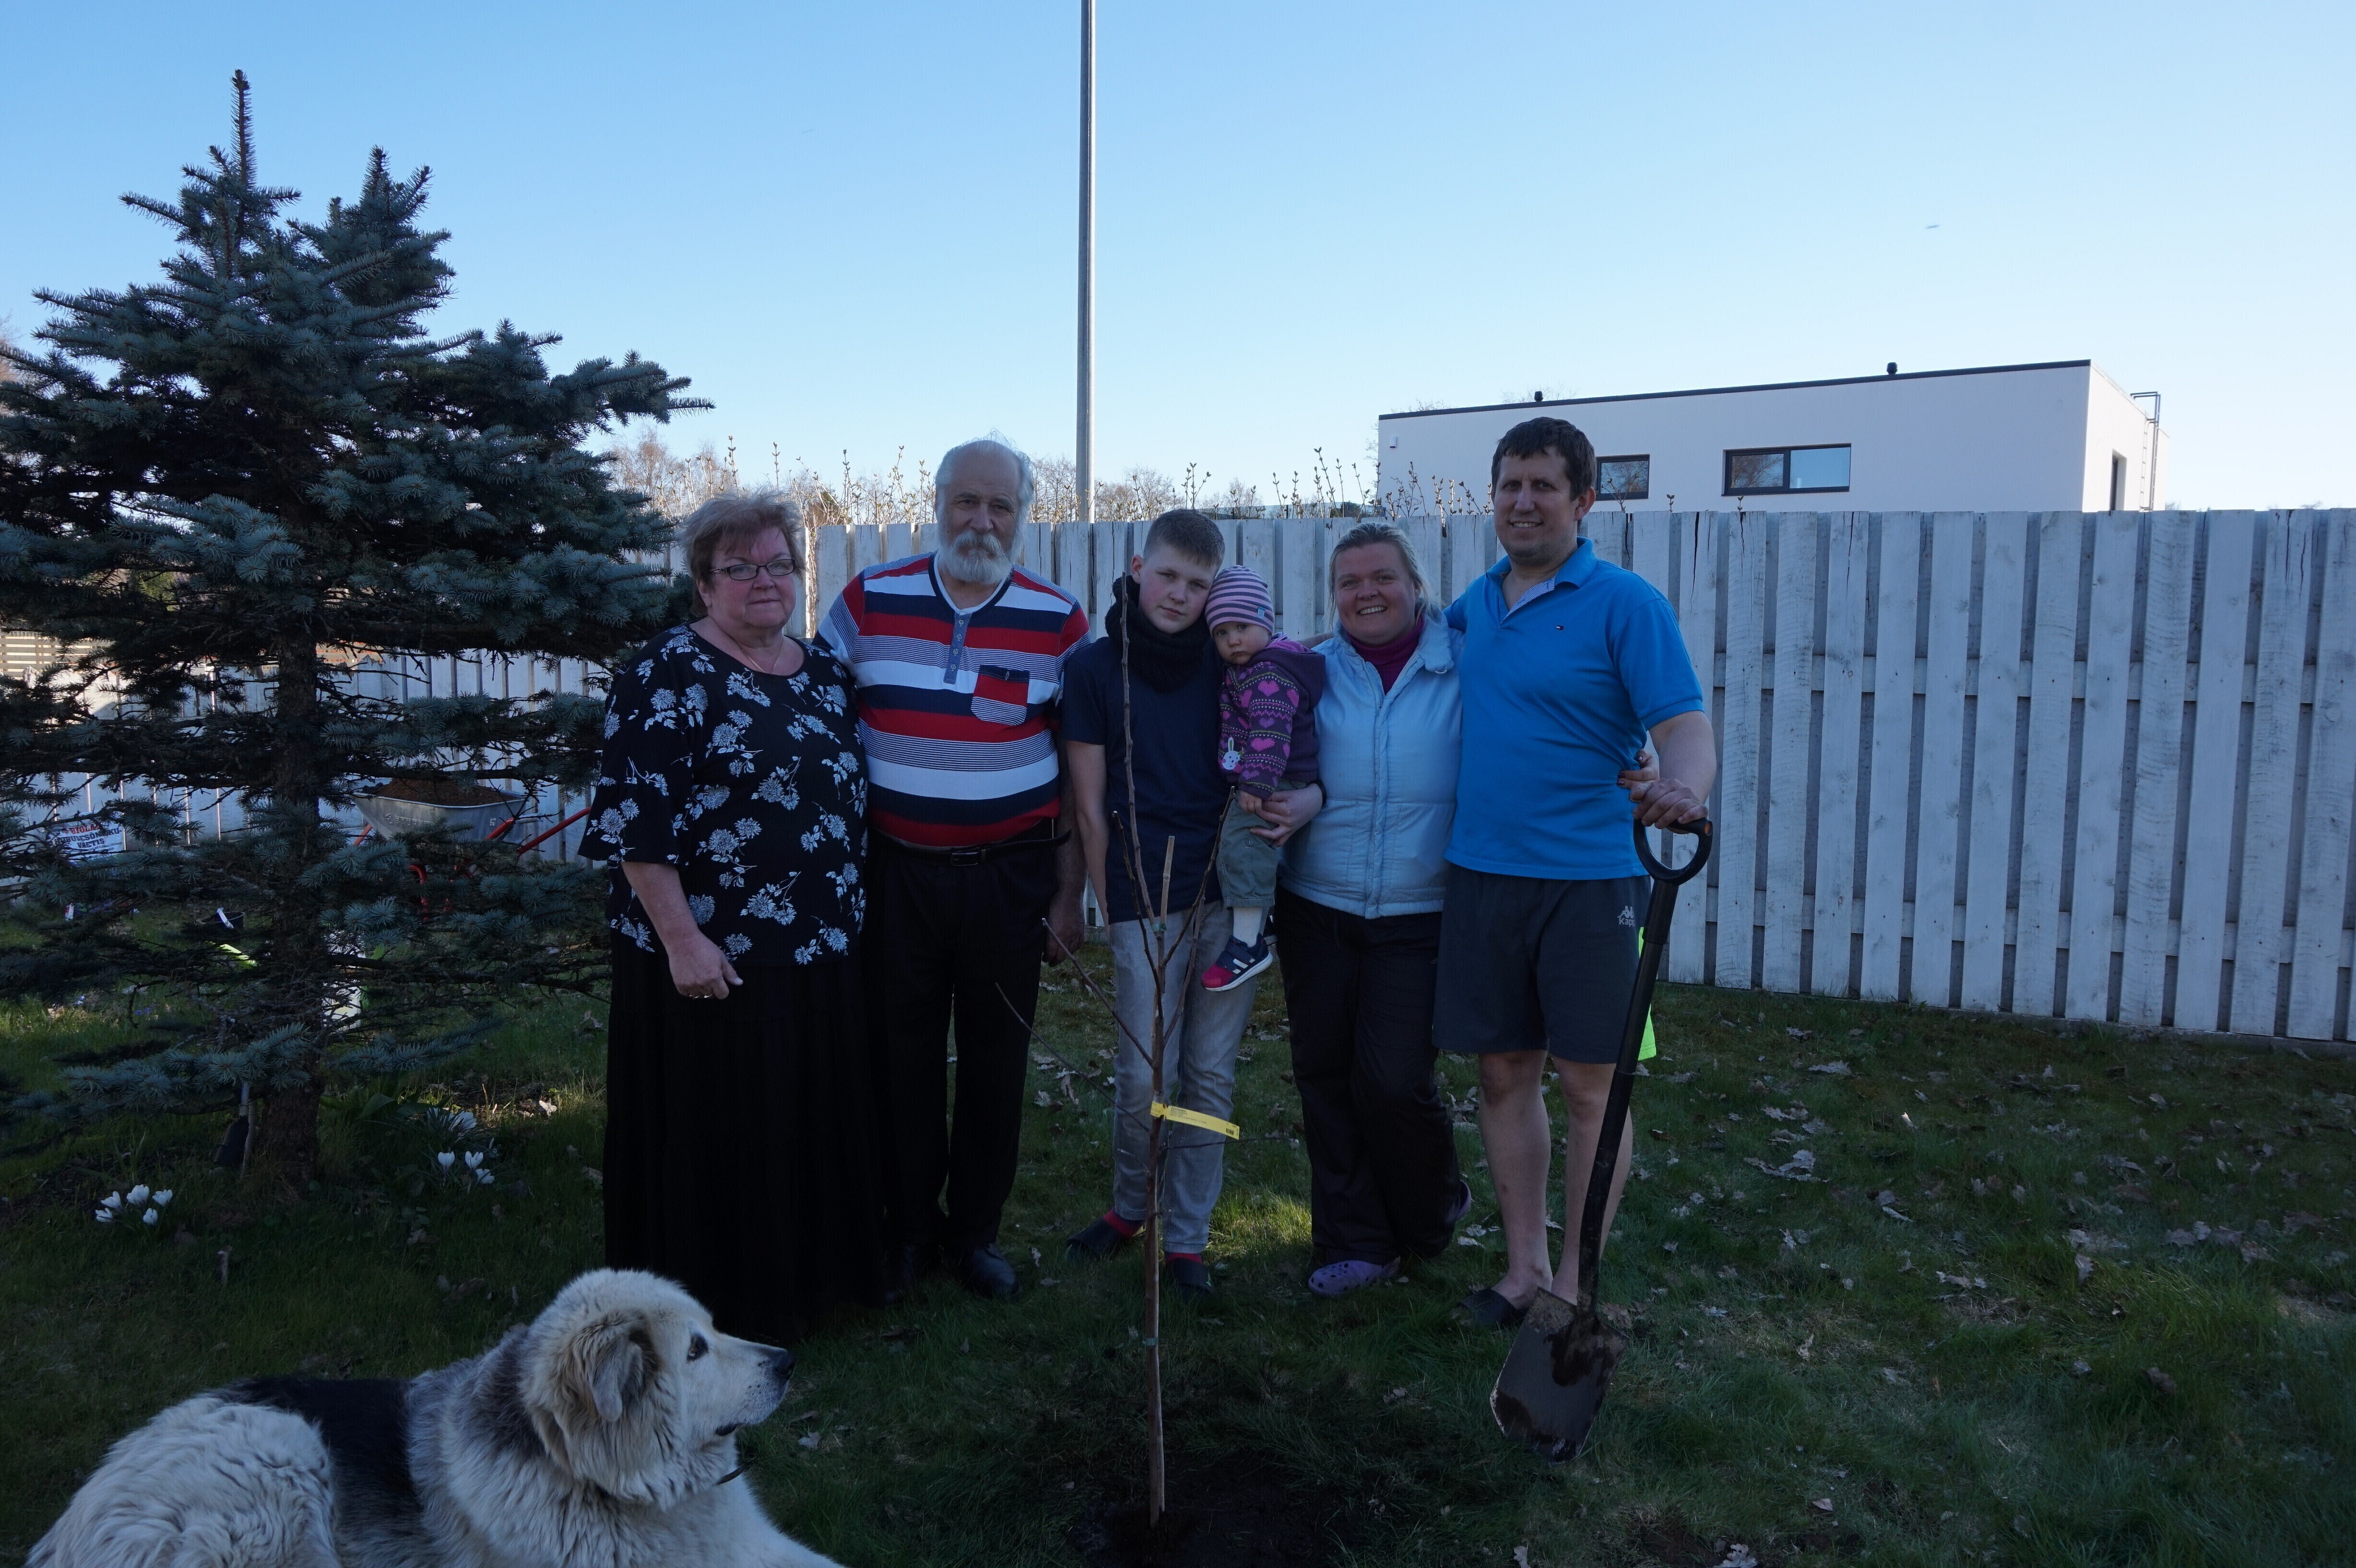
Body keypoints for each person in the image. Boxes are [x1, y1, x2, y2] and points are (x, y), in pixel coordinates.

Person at [582, 491, 882, 1343]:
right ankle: (711, 1304)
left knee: (799, 1124)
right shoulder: (665, 672)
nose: (764, 580)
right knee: (720, 1131)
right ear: (704, 583)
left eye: (779, 564)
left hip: (818, 948)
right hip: (712, 958)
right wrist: (682, 940)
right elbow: (635, 822)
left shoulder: (824, 673)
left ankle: (804, 1285)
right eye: (740, 566)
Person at [1439, 417, 1717, 1329]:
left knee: (1592, 1084)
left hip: (1593, 883)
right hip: (1482, 873)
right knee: (1501, 1074)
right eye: (1509, 485)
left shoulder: (1625, 604)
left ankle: (1573, 1278)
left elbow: (1683, 724)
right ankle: (1522, 1268)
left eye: (1543, 486)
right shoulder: (1473, 606)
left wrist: (1682, 787)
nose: (1522, 502)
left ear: (1584, 500)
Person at [818, 436, 1089, 1303]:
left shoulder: (1059, 619)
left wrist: (1069, 893)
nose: (980, 520)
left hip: (1007, 879)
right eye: (965, 501)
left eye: (999, 505)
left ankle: (975, 1233)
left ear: (1023, 515)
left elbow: (1079, 768)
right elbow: (813, 720)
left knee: (995, 1059)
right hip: (893, 876)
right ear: (936, 504)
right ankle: (905, 1229)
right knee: (896, 1057)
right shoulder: (867, 601)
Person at [1058, 510, 1318, 1301]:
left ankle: (1188, 1236)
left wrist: (1309, 797)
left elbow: (1296, 743)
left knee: (1206, 1072)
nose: (1179, 595)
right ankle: (1131, 1204)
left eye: (1197, 584)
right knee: (1145, 1069)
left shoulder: (1234, 661)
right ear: (1139, 569)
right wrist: (1111, 901)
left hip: (1228, 897)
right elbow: (1087, 805)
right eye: (1167, 575)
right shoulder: (1095, 668)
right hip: (1142, 895)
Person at [1272, 522, 1475, 1295]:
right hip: (1315, 903)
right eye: (1348, 582)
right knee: (1324, 1075)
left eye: (1382, 577)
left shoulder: (1463, 665)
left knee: (1392, 1080)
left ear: (1414, 584)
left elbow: (1543, 718)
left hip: (1420, 911)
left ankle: (1429, 1207)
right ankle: (1354, 1240)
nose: (1366, 593)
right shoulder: (1309, 669)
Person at [1199, 564, 1325, 993]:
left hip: (1274, 776)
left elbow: (1270, 732)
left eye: (1242, 627)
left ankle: (1246, 945)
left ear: (1265, 623)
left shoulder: (1267, 674)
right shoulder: (1260, 663)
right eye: (1221, 632)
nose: (1232, 639)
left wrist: (1255, 783)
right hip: (1271, 774)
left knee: (1243, 840)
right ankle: (1260, 922)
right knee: (1246, 844)